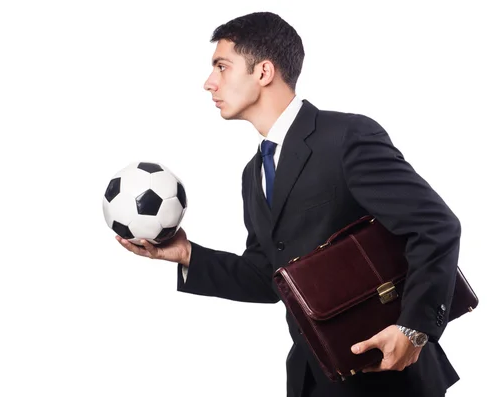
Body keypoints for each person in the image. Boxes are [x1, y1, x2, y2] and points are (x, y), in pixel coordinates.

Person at [116, 11, 462, 397]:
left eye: (222, 66)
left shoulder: (345, 137)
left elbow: (435, 225)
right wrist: (187, 255)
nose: (208, 82)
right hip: (314, 378)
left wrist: (415, 328)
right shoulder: (254, 173)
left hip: (388, 375)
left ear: (263, 72)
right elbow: (270, 276)